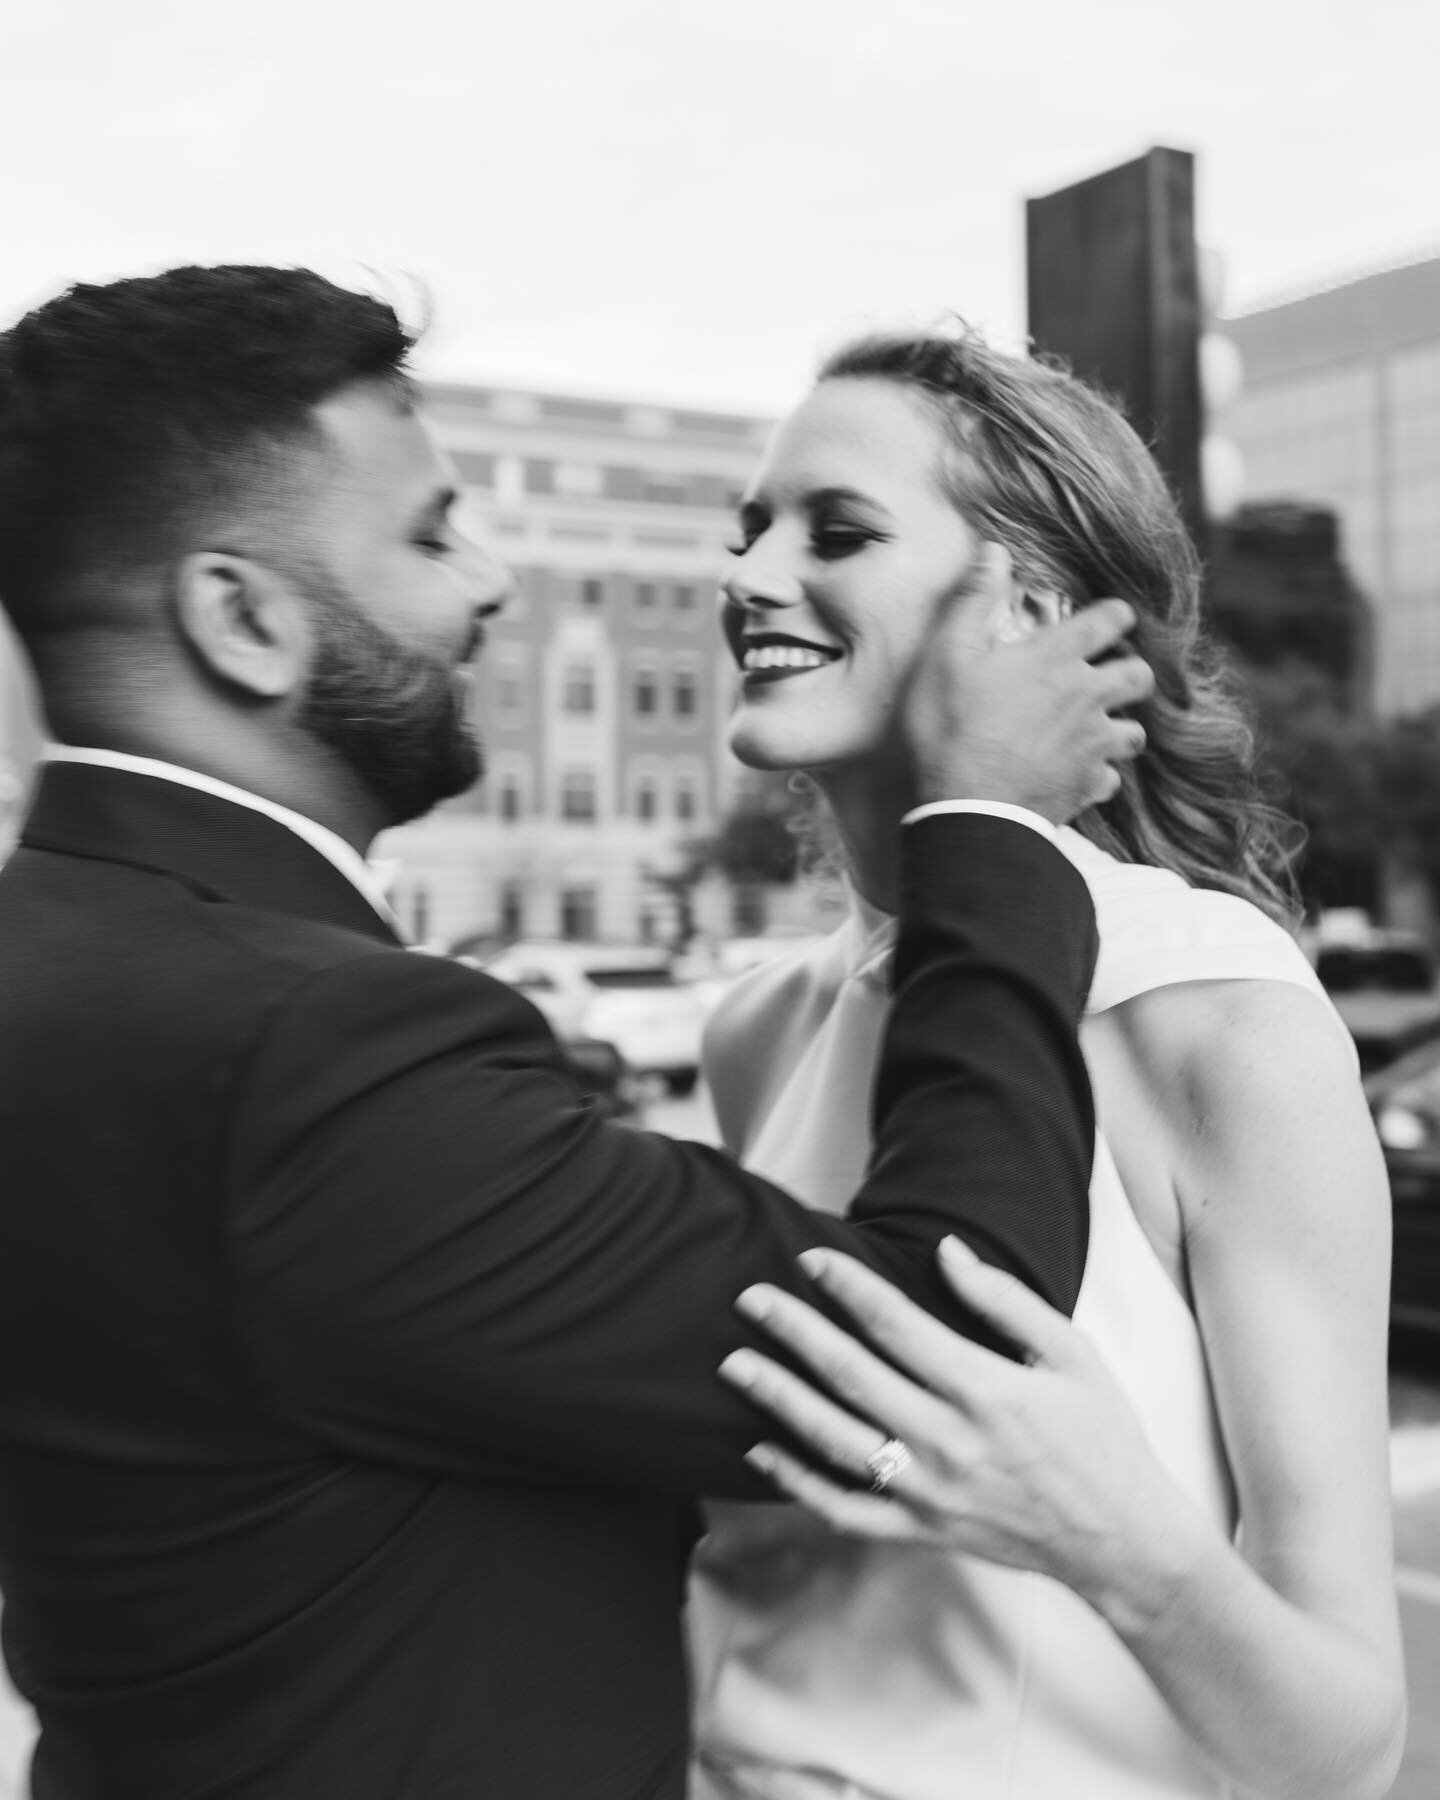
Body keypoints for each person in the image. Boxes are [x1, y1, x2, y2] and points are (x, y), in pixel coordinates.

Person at [0, 267, 1150, 1800]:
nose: (492, 582)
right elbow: (936, 1353)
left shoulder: (58, 955)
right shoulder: (303, 1049)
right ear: (244, 620)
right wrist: (991, 824)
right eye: (429, 533)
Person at [687, 329, 1406, 1800]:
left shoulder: (1215, 1013)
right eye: (749, 532)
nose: (750, 579)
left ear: (1028, 609)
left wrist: (1110, 1539)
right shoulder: (759, 1024)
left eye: (839, 532)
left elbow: (1346, 1741)